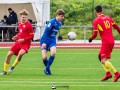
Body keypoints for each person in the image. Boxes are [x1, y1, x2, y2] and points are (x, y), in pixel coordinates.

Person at [88, 5, 120, 82]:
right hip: (111, 41)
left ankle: (116, 73)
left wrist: (90, 39)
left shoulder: (96, 20)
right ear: (101, 10)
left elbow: (95, 35)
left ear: (95, 11)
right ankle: (108, 74)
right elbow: (117, 28)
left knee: (103, 60)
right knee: (100, 57)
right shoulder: (108, 18)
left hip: (106, 42)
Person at [0, 9, 34, 75]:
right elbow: (20, 33)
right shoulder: (19, 23)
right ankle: (5, 71)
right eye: (23, 17)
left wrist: (23, 40)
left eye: (25, 17)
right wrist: (16, 36)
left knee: (20, 54)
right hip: (18, 42)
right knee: (8, 55)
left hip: (26, 44)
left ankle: (12, 67)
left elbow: (32, 36)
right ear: (20, 17)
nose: (24, 18)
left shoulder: (29, 25)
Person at [40, 9, 65, 75]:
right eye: (61, 16)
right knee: (44, 57)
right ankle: (47, 69)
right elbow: (46, 32)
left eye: (63, 16)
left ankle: (47, 68)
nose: (62, 18)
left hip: (52, 40)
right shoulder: (51, 22)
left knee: (53, 53)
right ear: (57, 15)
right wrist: (44, 42)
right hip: (45, 39)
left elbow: (54, 32)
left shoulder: (60, 23)